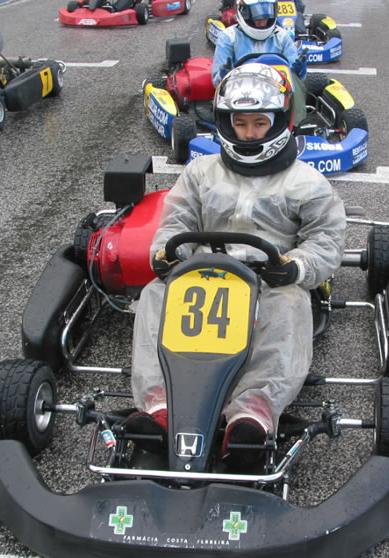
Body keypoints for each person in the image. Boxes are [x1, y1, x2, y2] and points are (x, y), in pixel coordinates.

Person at [131, 63, 345, 466]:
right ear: (225, 123)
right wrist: (166, 252)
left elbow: (326, 241)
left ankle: (254, 412)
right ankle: (160, 404)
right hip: (205, 273)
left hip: (271, 280)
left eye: (259, 123)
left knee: (290, 302)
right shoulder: (200, 172)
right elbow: (175, 222)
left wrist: (295, 266)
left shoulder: (308, 184)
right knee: (155, 293)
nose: (249, 133)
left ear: (281, 121)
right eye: (240, 123)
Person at [211, 0, 306, 88]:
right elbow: (217, 83)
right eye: (257, 17)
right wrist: (224, 75)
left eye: (266, 16)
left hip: (278, 91)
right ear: (243, 13)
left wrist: (298, 72)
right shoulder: (228, 37)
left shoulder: (282, 37)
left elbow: (296, 82)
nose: (262, 23)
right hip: (241, 92)